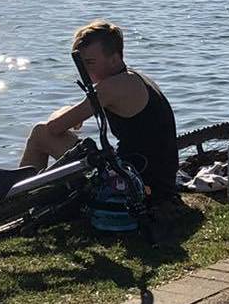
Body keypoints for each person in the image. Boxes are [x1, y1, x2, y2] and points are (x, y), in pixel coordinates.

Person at [20, 21, 180, 208]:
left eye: (90, 63)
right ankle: (29, 198)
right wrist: (74, 114)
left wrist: (68, 116)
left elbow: (54, 127)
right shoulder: (133, 79)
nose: (85, 70)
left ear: (113, 58)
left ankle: (20, 200)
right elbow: (76, 113)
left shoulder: (111, 87)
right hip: (156, 179)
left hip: (136, 182)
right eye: (82, 63)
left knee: (40, 134)